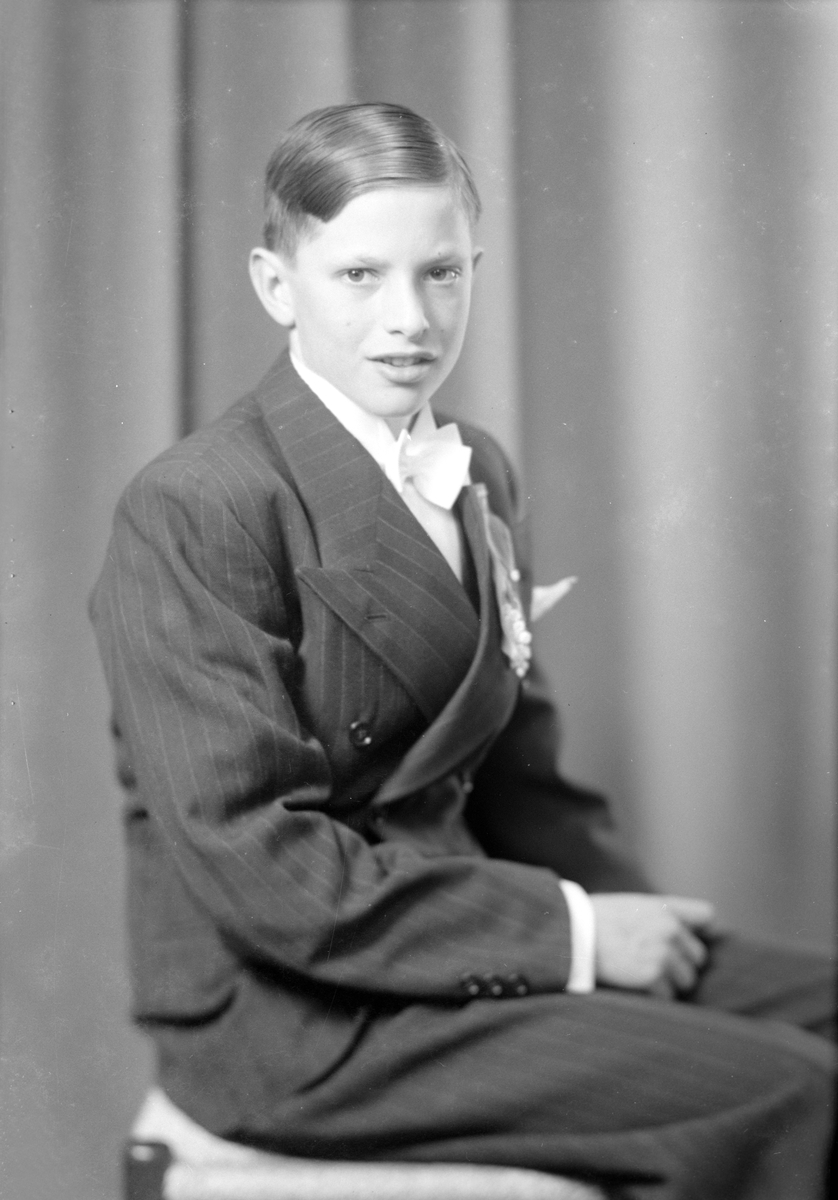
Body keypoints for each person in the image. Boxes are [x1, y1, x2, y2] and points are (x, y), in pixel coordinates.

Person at [91, 102, 834, 1200]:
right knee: (789, 1089)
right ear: (275, 285)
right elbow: (267, 871)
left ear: (475, 272)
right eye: (359, 276)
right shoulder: (199, 505)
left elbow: (524, 778)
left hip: (452, 935)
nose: (410, 319)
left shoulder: (475, 468)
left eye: (440, 273)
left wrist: (640, 934)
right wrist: (575, 938)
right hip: (300, 1018)